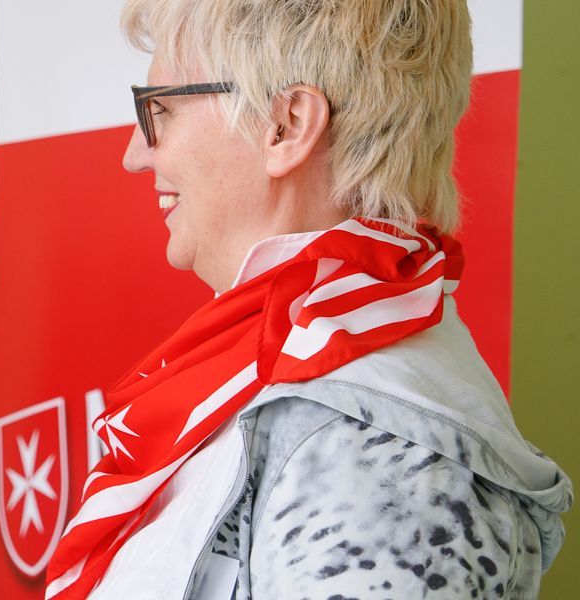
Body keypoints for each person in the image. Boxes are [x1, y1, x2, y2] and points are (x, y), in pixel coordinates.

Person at [43, 1, 570, 598]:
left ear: (287, 126)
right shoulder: (289, 372)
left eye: (159, 107)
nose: (135, 153)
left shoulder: (374, 460)